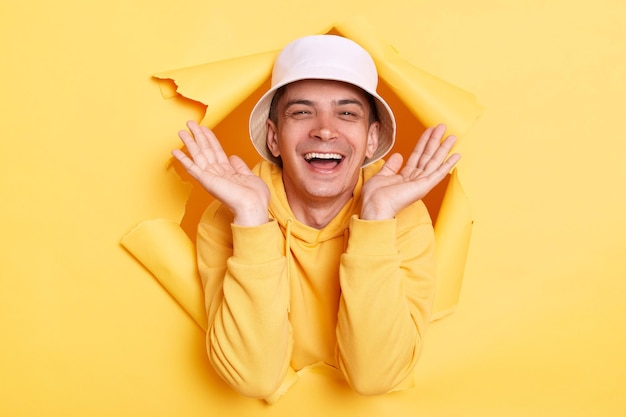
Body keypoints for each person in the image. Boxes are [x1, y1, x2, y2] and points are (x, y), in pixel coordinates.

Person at [172, 35, 460, 401]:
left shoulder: (400, 216)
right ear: (274, 138)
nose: (324, 129)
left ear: (372, 140)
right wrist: (252, 220)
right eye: (302, 112)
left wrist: (376, 220)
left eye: (347, 113)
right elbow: (254, 378)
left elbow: (375, 377)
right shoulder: (230, 215)